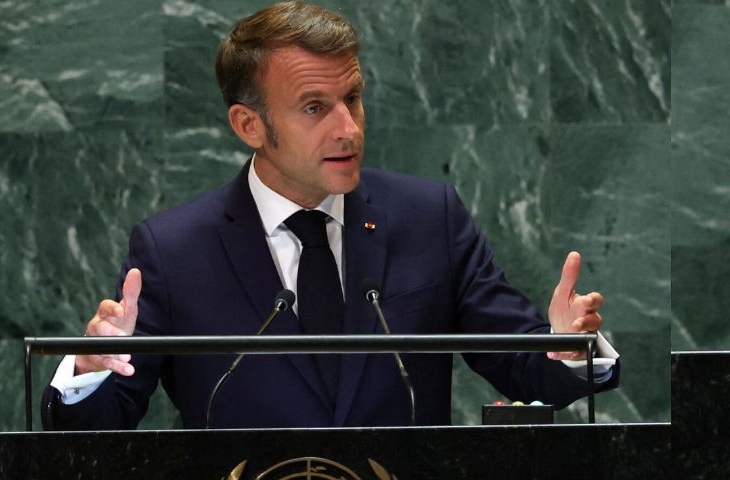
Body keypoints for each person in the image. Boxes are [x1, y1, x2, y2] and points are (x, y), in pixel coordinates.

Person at [42, 1, 619, 430]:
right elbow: (98, 426)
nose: (348, 128)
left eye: (353, 99)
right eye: (315, 107)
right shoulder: (174, 251)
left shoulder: (428, 219)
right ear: (249, 125)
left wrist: (568, 347)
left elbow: (526, 366)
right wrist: (90, 369)